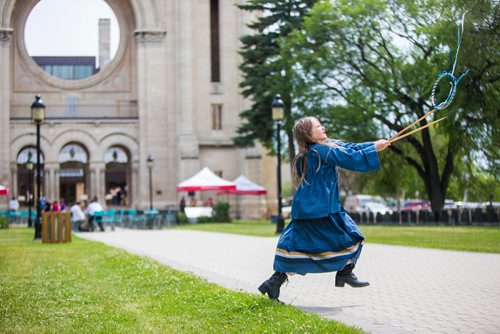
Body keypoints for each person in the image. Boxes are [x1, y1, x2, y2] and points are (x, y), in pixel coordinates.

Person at [258, 116, 391, 301]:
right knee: (352, 236)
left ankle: (274, 282)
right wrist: (375, 149)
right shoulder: (321, 152)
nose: (323, 127)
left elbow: (350, 148)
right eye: (318, 126)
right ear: (309, 134)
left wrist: (373, 144)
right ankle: (344, 272)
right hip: (320, 209)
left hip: (310, 209)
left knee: (296, 246)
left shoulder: (319, 149)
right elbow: (349, 157)